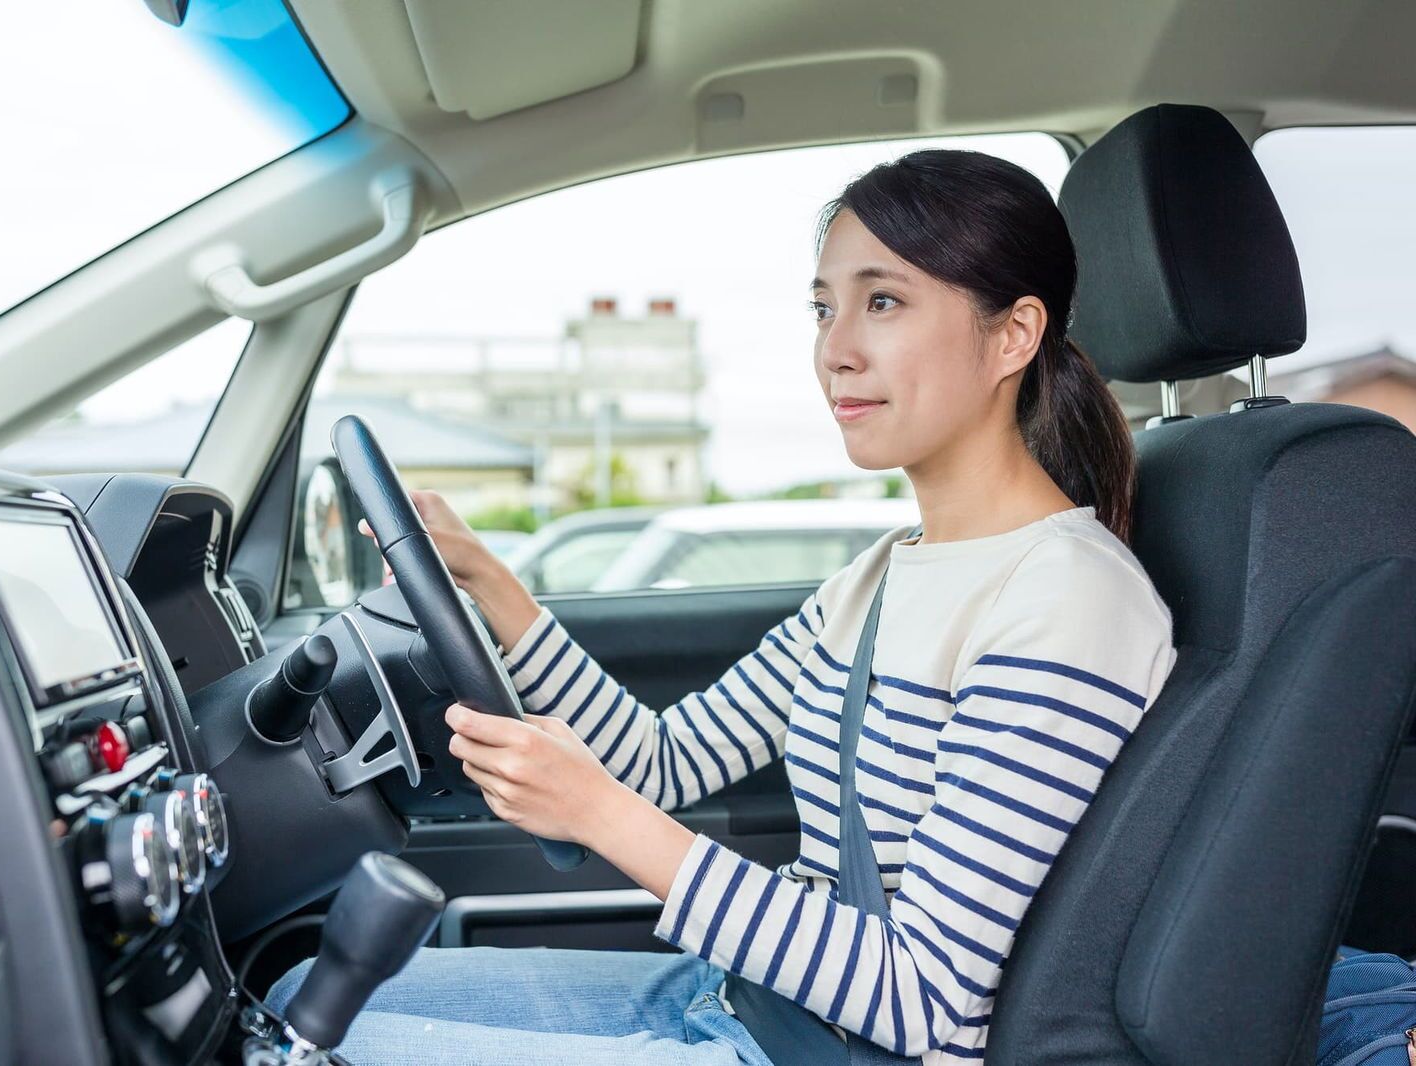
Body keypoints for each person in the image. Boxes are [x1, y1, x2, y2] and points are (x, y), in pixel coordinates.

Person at [268, 149, 1177, 1065]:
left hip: (838, 1048)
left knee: (315, 1040)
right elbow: (665, 762)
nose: (837, 349)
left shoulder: (1067, 597)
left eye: (884, 301)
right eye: (825, 308)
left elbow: (922, 998)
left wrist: (594, 813)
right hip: (749, 999)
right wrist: (493, 588)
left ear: (1014, 335)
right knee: (301, 997)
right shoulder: (878, 576)